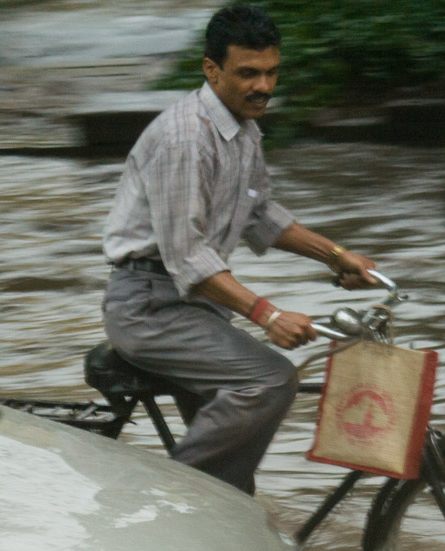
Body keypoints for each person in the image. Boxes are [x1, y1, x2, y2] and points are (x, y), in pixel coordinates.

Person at [101, 4, 376, 495]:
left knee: (231, 483)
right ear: (212, 69)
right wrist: (268, 315)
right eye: (248, 73)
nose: (264, 87)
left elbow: (259, 213)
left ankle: (218, 523)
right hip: (151, 309)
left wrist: (335, 255)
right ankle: (170, 503)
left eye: (272, 73)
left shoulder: (242, 128)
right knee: (271, 380)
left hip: (195, 309)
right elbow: (188, 259)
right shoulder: (187, 139)